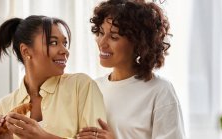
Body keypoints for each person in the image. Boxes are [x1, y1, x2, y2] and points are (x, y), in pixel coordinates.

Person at [77, 0, 185, 139]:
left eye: (114, 37)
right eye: (100, 33)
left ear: (139, 43)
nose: (102, 43)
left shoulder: (160, 91)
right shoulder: (93, 87)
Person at [0, 15, 107, 139]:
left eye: (64, 43)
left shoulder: (81, 86)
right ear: (26, 51)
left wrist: (42, 137)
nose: (65, 51)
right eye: (53, 43)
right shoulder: (3, 107)